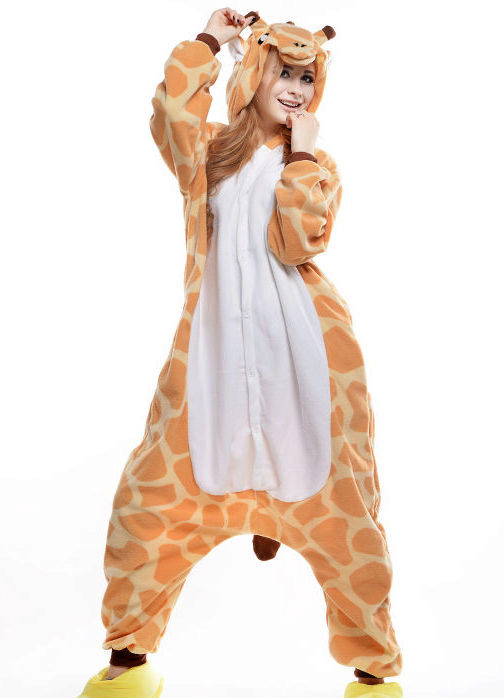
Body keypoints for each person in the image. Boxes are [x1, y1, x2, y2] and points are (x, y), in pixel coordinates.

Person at [77, 8, 404, 698]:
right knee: (148, 507)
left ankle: (373, 671)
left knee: (345, 516)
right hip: (213, 362)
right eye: (284, 74)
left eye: (307, 79)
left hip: (306, 363)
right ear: (254, 74)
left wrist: (304, 155)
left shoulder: (317, 166)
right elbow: (171, 109)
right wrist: (209, 41)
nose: (296, 89)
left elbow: (296, 242)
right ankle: (128, 660)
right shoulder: (211, 154)